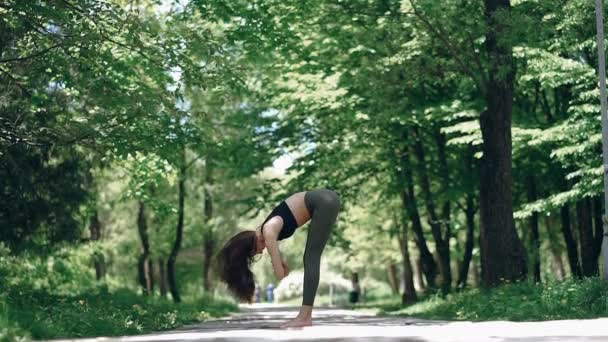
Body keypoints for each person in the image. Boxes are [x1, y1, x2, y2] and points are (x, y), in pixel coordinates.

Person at [217, 189, 340, 328]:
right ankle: (305, 316)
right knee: (311, 256)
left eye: (254, 254)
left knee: (311, 256)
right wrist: (279, 263)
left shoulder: (268, 230)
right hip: (325, 199)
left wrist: (278, 265)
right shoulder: (267, 230)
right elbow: (282, 268)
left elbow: (280, 274)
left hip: (323, 201)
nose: (259, 253)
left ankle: (305, 317)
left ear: (250, 246)